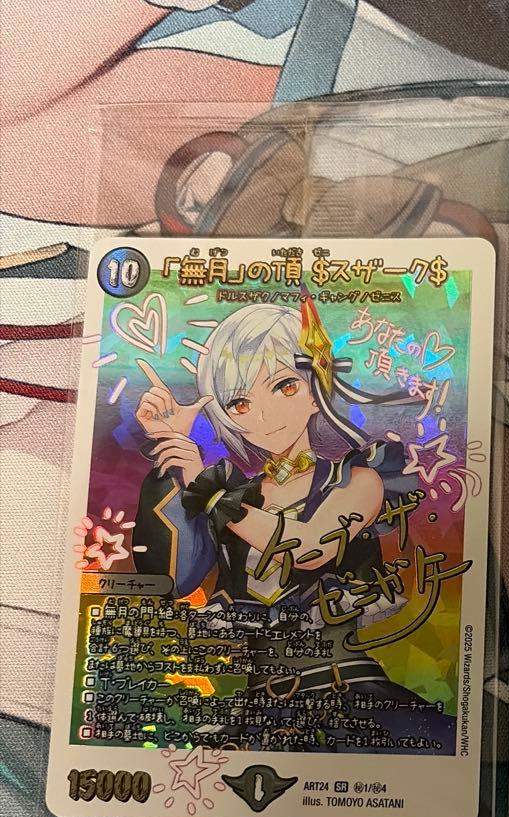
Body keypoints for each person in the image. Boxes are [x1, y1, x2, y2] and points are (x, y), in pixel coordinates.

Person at [131, 296, 453, 755]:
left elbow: (310, 547)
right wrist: (170, 455)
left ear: (316, 388)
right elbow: (174, 581)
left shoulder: (357, 477)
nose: (264, 416)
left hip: (346, 690)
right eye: (240, 403)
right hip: (260, 709)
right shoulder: (229, 493)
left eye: (284, 386)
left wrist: (208, 489)